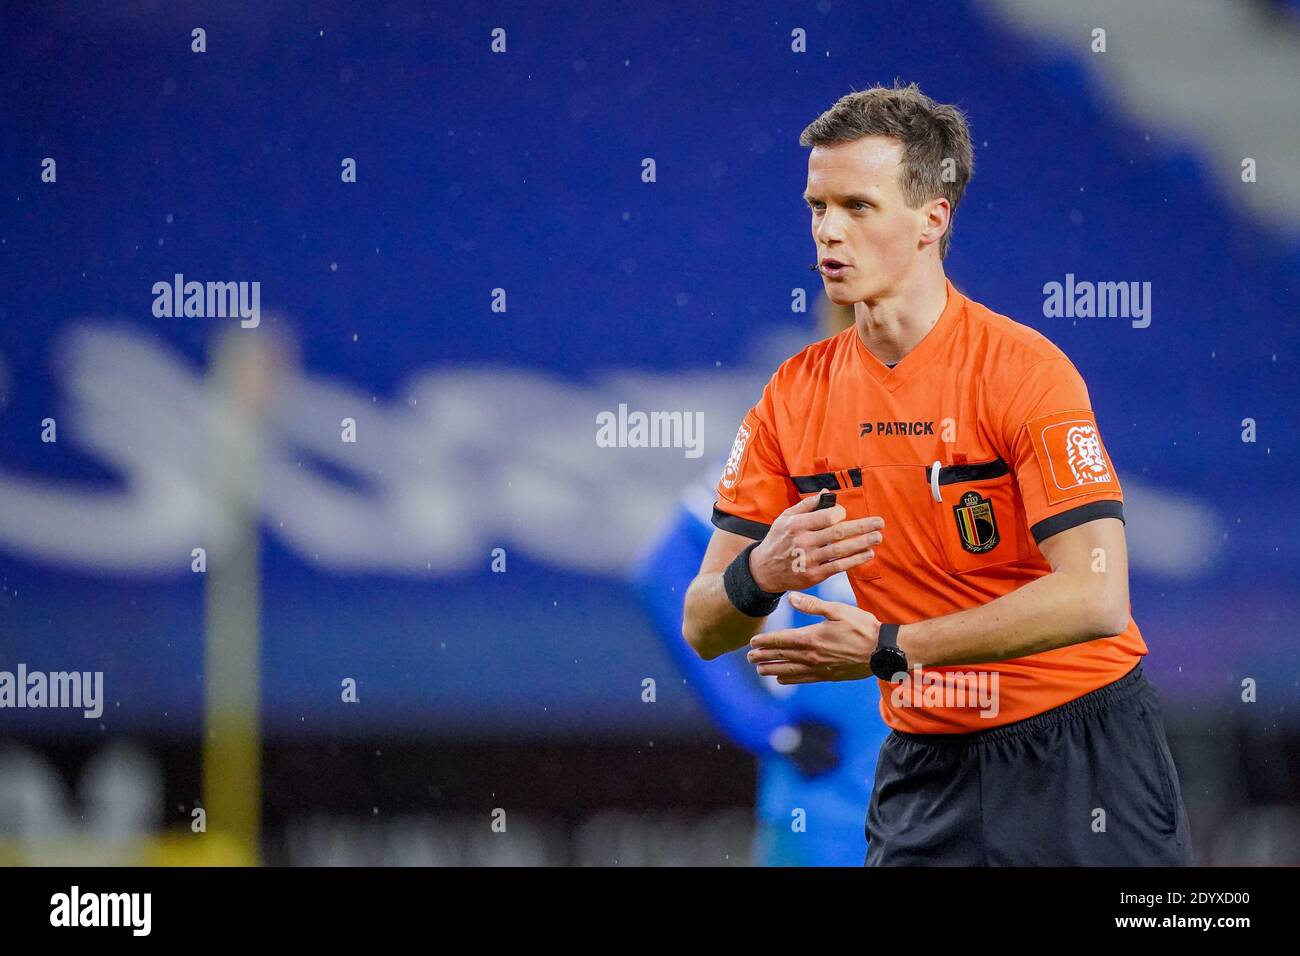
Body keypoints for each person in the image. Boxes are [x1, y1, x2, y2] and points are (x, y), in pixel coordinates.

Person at [681, 82, 1192, 865]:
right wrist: (764, 571)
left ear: (932, 219)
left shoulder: (1025, 372)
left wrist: (890, 646)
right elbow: (704, 622)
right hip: (925, 766)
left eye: (858, 207)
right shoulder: (791, 396)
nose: (828, 232)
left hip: (1080, 753)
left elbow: (1097, 596)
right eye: (818, 207)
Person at [633, 296, 892, 867]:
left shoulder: (966, 446)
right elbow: (663, 573)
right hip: (830, 815)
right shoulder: (796, 444)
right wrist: (764, 725)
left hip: (951, 807)